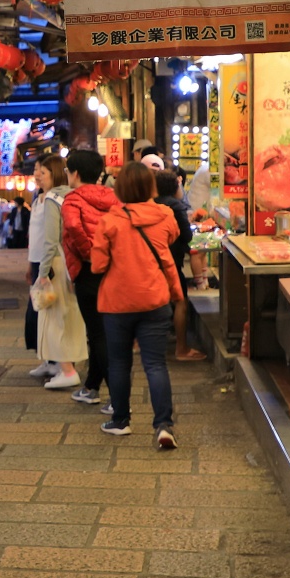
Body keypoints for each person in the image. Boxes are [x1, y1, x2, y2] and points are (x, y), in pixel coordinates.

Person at [92, 162, 183, 449]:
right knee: (155, 364)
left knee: (119, 362)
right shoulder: (165, 215)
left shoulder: (109, 221)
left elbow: (98, 265)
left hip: (117, 303)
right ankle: (164, 426)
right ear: (151, 187)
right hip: (154, 298)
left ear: (120, 189)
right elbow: (172, 237)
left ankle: (121, 420)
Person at [60, 148, 120, 407]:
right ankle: (91, 387)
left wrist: (90, 253)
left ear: (74, 173)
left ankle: (118, 400)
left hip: (88, 271)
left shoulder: (72, 200)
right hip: (112, 270)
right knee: (101, 331)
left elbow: (74, 226)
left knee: (98, 334)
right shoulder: (113, 198)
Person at [28, 153, 84, 389]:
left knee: (55, 319)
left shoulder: (52, 199)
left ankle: (67, 370)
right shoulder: (72, 195)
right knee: (68, 317)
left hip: (56, 264)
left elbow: (51, 241)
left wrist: (42, 273)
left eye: (43, 172)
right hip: (71, 261)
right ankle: (60, 366)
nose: (38, 175)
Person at [155, 170, 206, 362]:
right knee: (180, 302)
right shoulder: (176, 206)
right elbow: (187, 236)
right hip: (171, 261)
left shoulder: (150, 204)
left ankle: (138, 344)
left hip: (152, 262)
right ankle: (182, 348)